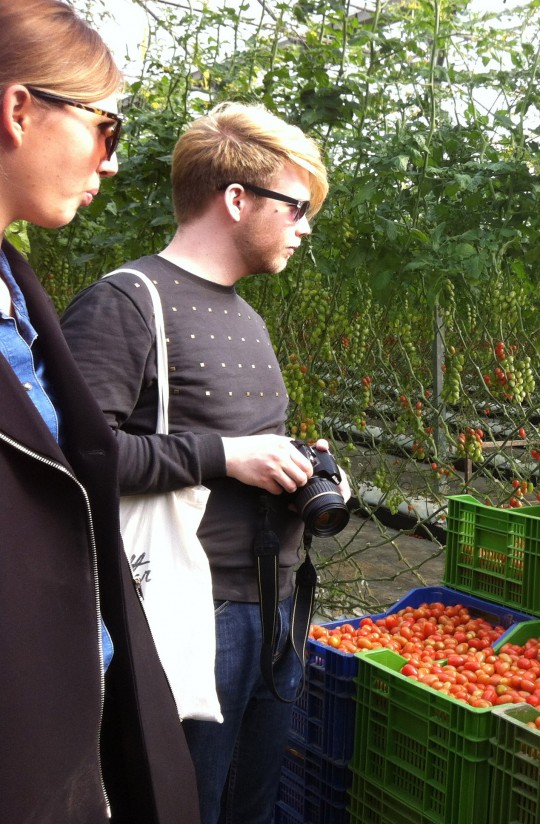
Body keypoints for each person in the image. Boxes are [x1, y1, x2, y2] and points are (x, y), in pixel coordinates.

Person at [61, 102, 331, 824]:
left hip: (272, 605)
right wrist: (223, 456)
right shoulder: (126, 303)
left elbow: (228, 444)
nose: (305, 227)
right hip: (189, 612)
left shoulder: (245, 313)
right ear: (237, 199)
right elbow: (74, 461)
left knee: (249, 805)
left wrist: (296, 465)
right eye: (298, 206)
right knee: (185, 806)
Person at [0, 2, 200, 822]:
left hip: (66, 708)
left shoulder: (16, 284)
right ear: (18, 109)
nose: (109, 164)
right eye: (105, 129)